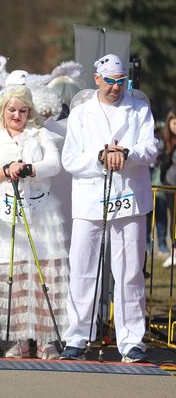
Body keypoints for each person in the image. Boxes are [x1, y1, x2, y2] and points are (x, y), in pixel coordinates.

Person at [60, 55, 157, 363]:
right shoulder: (80, 113)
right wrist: (100, 158)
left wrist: (126, 153)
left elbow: (151, 149)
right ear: (97, 79)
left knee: (130, 271)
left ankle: (131, 341)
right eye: (111, 81)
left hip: (129, 199)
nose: (116, 88)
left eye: (121, 81)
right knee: (83, 269)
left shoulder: (139, 108)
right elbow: (70, 160)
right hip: (90, 201)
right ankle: (77, 337)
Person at [0, 85, 68, 360]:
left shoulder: (39, 133)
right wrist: (4, 172)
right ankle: (16, 339)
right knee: (10, 274)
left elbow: (54, 163)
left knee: (42, 275)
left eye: (22, 111)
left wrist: (29, 168)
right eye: (12, 110)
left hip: (39, 210)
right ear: (3, 110)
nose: (17, 116)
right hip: (2, 210)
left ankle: (45, 338)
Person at [159, 110, 176, 266]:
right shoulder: (165, 141)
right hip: (170, 186)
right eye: (174, 124)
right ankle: (174, 252)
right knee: (173, 219)